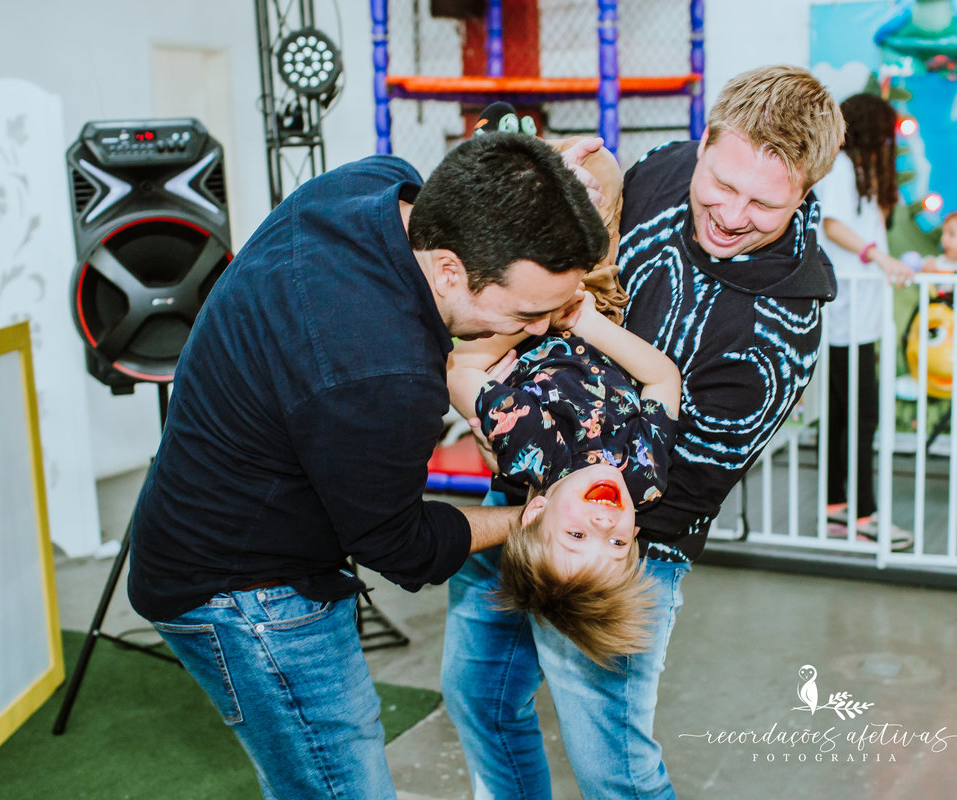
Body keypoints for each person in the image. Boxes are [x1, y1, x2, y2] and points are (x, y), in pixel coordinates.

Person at [125, 131, 609, 800]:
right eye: (527, 314)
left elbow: (480, 160)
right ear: (447, 271)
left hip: (197, 519)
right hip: (242, 592)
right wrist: (530, 517)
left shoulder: (376, 187)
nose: (537, 330)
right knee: (339, 783)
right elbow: (400, 546)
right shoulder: (383, 373)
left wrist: (536, 173)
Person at [441, 64, 845, 799]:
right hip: (524, 496)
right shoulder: (662, 172)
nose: (730, 212)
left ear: (805, 191)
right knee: (479, 697)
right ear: (704, 141)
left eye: (764, 203)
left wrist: (560, 493)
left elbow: (680, 487)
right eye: (721, 181)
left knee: (612, 768)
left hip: (628, 539)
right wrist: (553, 198)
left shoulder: (778, 338)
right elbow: (580, 265)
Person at [445, 289, 681, 665]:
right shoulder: (644, 478)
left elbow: (458, 371)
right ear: (635, 533)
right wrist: (588, 324)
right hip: (601, 308)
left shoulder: (531, 448)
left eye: (577, 536)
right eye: (617, 544)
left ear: (536, 511)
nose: (604, 522)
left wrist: (539, 315)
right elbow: (664, 380)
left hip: (529, 308)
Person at [816, 92, 914, 550]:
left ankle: (839, 508)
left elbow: (869, 224)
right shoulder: (838, 169)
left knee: (845, 415)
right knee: (860, 416)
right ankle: (864, 514)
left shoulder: (863, 174)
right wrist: (879, 258)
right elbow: (832, 225)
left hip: (861, 316)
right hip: (846, 316)